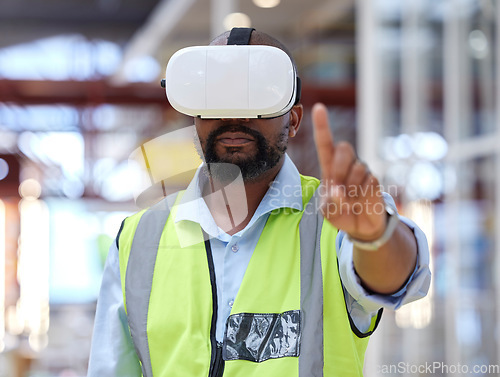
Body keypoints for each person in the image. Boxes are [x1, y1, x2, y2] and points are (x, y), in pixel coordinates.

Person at [87, 28, 430, 377]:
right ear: (195, 117)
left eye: (257, 97)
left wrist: (376, 237)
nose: (234, 116)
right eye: (215, 97)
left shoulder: (338, 218)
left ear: (293, 120)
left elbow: (397, 280)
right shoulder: (139, 238)